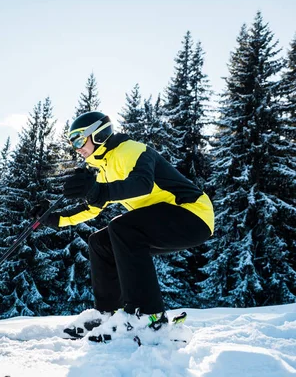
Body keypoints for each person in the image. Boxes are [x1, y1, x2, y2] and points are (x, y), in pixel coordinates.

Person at [32, 111, 214, 338]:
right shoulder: (104, 168)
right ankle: (108, 314)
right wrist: (55, 219)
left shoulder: (130, 149)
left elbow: (142, 184)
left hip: (192, 214)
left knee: (122, 228)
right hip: (167, 219)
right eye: (72, 143)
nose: (76, 147)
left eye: (79, 139)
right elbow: (93, 207)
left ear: (97, 134)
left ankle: (149, 315)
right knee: (100, 242)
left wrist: (99, 191)